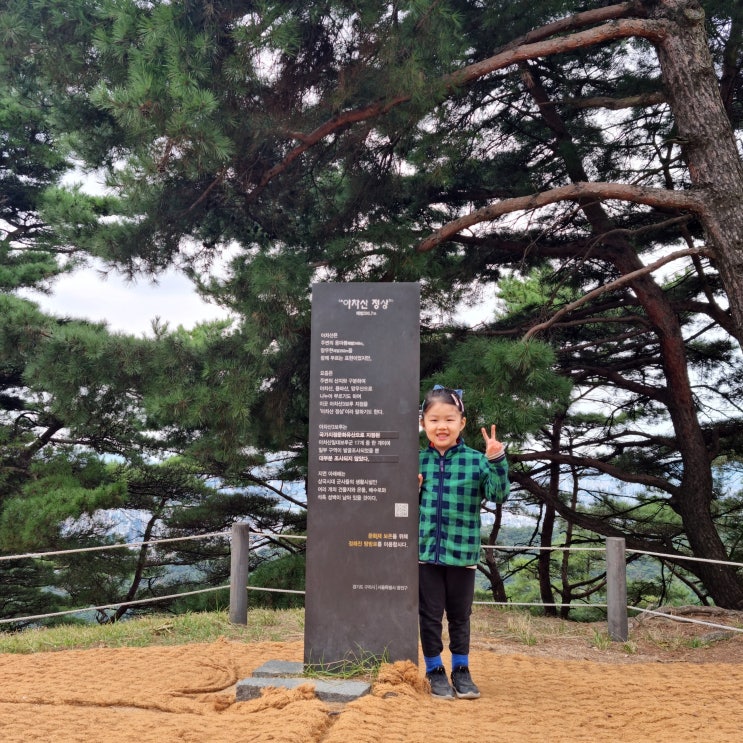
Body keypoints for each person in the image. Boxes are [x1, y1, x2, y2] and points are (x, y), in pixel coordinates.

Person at [418, 385, 509, 700]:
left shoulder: (475, 460)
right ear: (423, 423)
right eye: (434, 420)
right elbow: (399, 508)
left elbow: (498, 494)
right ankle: (434, 670)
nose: (441, 426)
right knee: (429, 616)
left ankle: (461, 669)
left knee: (459, 616)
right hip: (425, 554)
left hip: (463, 553)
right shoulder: (417, 461)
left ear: (462, 423)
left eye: (449, 419)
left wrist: (496, 460)